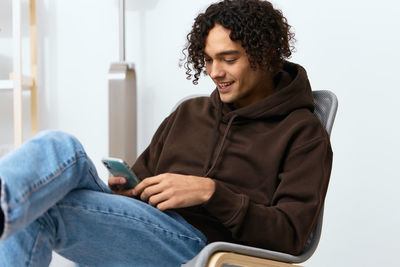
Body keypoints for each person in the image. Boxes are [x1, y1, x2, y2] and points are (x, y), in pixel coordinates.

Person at [0, 0, 333, 266]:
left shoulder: (303, 132)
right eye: (208, 60)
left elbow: (291, 237)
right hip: (149, 228)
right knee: (60, 148)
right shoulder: (190, 112)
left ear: (266, 53)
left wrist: (211, 193)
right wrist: (128, 188)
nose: (215, 72)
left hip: (201, 247)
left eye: (228, 59)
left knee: (38, 206)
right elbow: (140, 185)